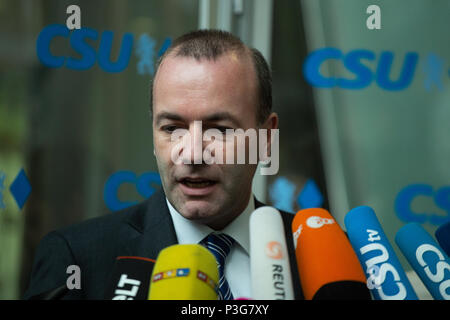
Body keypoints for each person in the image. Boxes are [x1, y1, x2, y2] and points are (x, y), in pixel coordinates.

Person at [23, 29, 303, 300]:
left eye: (219, 130)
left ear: (266, 137)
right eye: (172, 129)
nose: (192, 154)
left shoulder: (314, 261)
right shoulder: (77, 259)